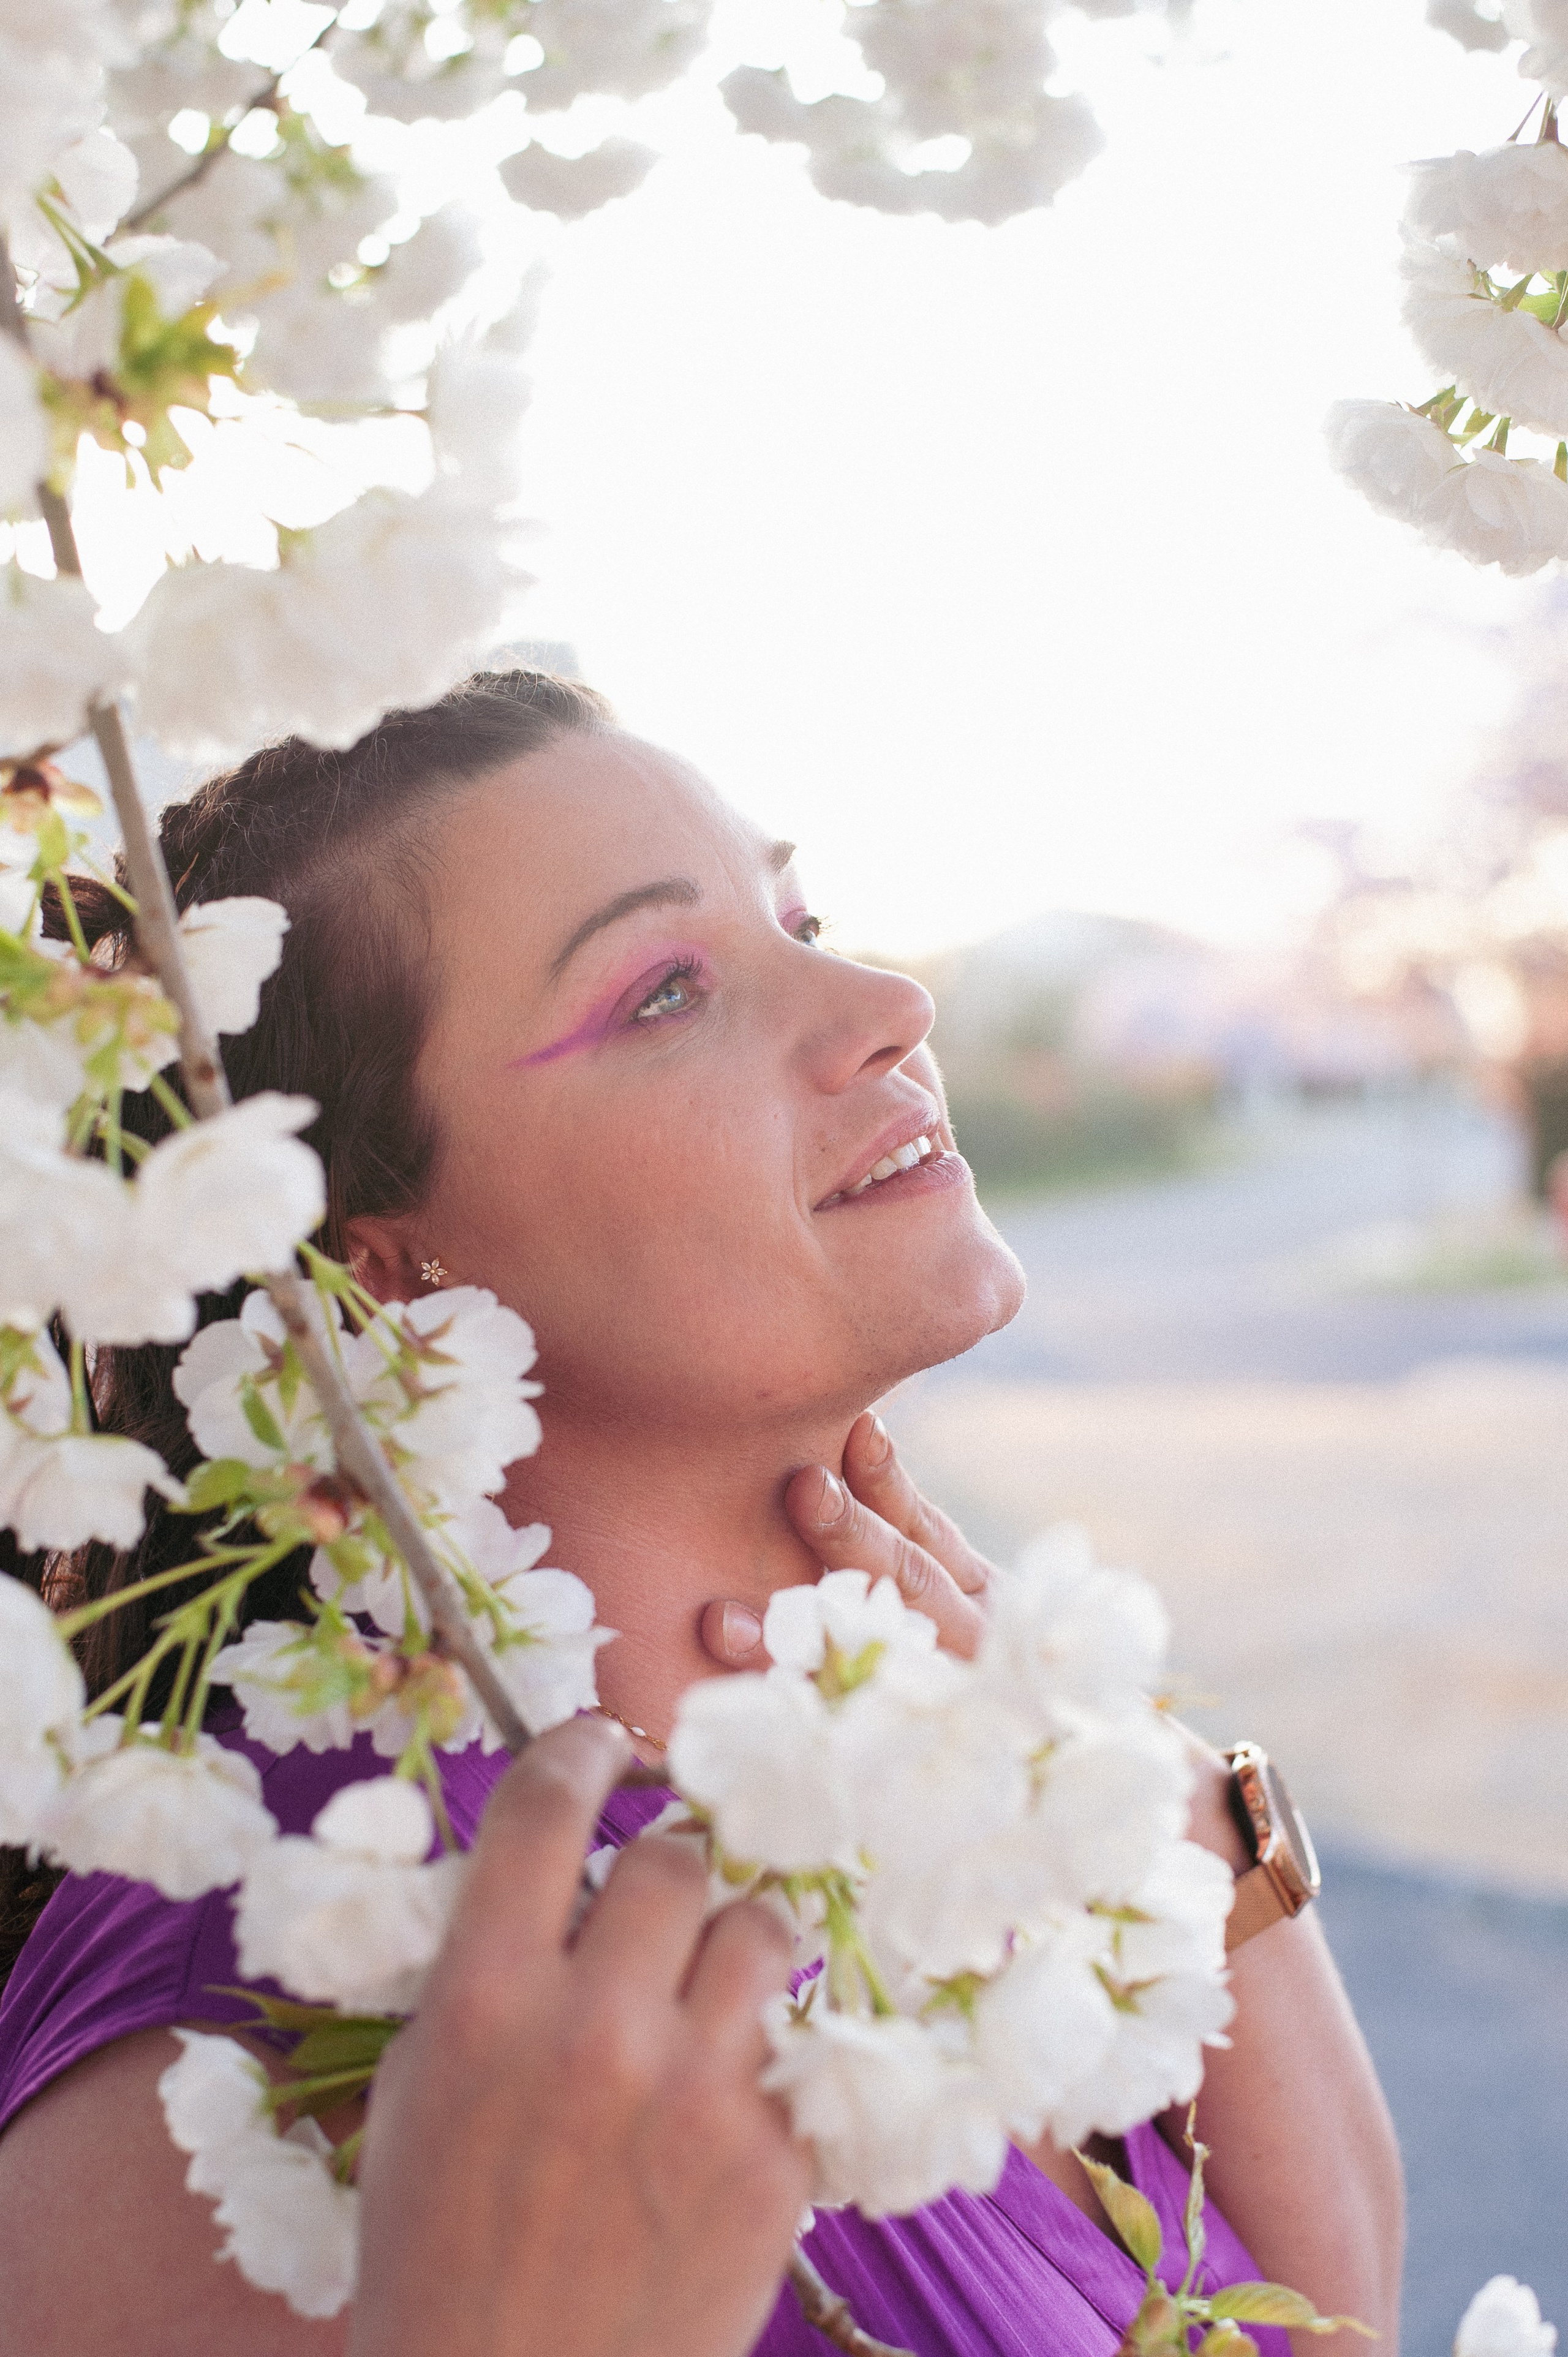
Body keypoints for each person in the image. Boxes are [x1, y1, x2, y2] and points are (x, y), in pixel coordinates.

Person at [0, 671, 1404, 2356]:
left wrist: (1162, 1823)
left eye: (802, 913)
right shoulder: (275, 2009)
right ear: (367, 1265)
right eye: (665, 989)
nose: (888, 1000)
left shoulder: (921, 1807)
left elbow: (1326, 2329)